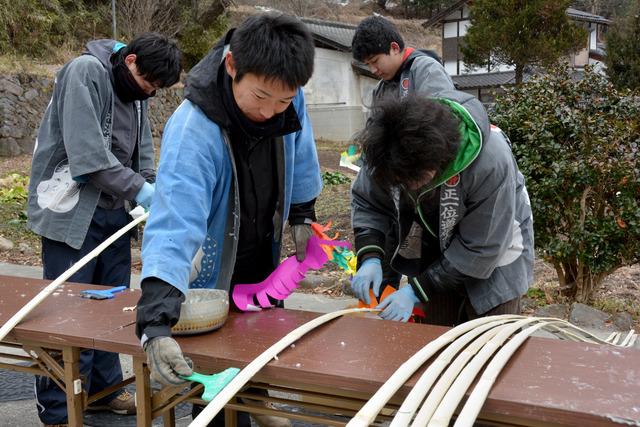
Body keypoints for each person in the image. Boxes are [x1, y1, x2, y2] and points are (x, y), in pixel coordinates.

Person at [134, 13, 321, 427]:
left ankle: (260, 397)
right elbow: (173, 223)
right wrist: (156, 325)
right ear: (232, 66)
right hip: (214, 265)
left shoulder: (286, 96)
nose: (271, 111)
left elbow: (302, 151)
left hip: (263, 247)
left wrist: (302, 212)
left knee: (263, 337)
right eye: (261, 97)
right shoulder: (193, 127)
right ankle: (219, 413)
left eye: (284, 101)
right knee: (216, 367)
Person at [26, 32, 181, 426]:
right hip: (73, 211)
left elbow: (142, 148)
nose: (149, 93)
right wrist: (141, 188)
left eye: (157, 89)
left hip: (115, 212)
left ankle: (103, 392)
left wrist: (150, 184)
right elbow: (87, 157)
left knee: (110, 307)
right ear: (130, 62)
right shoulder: (85, 72)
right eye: (148, 83)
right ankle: (58, 409)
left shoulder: (139, 93)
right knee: (67, 310)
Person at [350, 91, 534, 325]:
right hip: (435, 247)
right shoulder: (385, 146)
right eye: (399, 181)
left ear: (439, 159)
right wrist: (370, 256)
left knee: (488, 342)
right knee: (436, 338)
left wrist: (415, 291)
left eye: (412, 180)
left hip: (496, 252)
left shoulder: (490, 162)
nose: (406, 186)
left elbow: (482, 246)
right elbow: (369, 202)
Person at [350, 15, 457, 291]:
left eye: (376, 61)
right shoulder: (382, 87)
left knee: (426, 265)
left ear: (395, 48)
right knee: (385, 263)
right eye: (368, 65)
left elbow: (441, 132)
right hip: (391, 192)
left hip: (423, 191)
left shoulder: (426, 71)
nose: (373, 69)